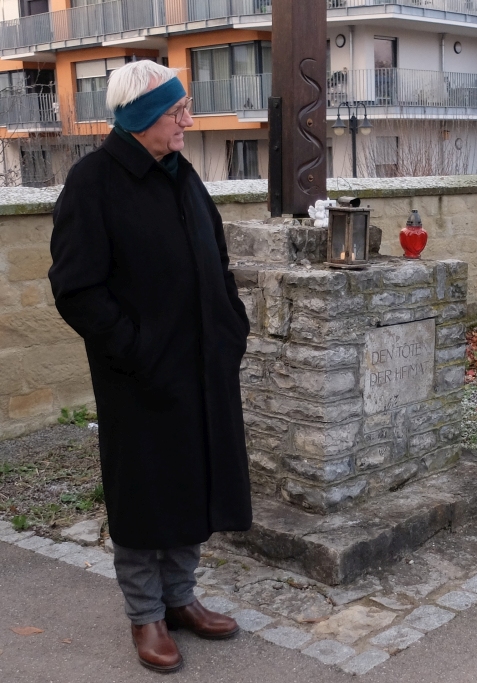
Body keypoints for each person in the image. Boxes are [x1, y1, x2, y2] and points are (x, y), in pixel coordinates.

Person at [48, 60, 252, 673]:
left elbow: (214, 259)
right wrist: (134, 349)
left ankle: (181, 599)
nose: (188, 119)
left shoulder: (181, 174)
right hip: (138, 378)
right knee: (144, 496)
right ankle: (147, 615)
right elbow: (77, 288)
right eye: (176, 111)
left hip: (202, 368)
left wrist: (229, 324)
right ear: (141, 118)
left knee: (193, 484)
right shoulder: (92, 185)